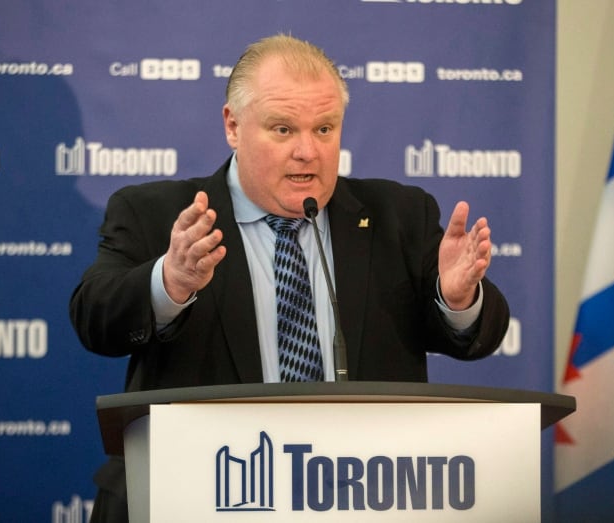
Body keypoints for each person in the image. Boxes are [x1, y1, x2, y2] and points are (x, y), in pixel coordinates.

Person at [70, 33, 510, 522]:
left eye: (325, 129)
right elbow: (95, 317)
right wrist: (170, 283)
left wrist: (456, 298)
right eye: (283, 130)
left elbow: (479, 336)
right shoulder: (157, 215)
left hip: (358, 498)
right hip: (196, 495)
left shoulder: (398, 216)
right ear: (233, 126)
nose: (308, 151)